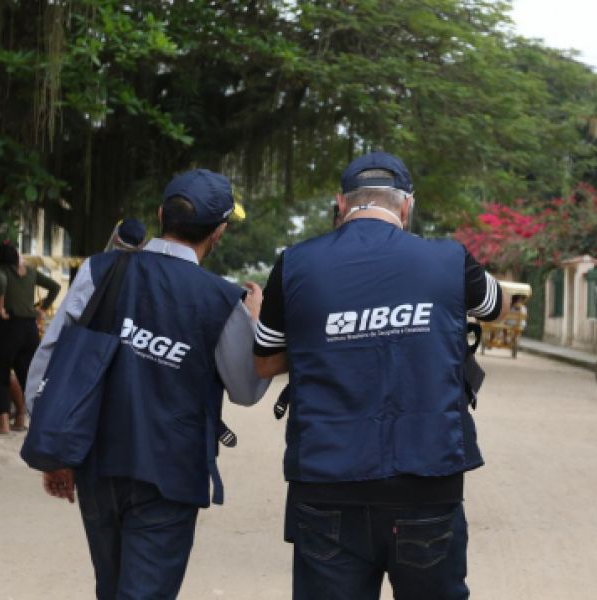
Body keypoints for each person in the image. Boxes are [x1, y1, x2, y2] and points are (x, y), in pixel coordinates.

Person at [254, 151, 509, 600]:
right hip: (427, 482)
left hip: (326, 482)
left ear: (341, 204)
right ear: (406, 206)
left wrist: (326, 336)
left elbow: (264, 363)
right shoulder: (449, 259)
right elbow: (496, 306)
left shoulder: (294, 264)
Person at [25, 169, 271, 599]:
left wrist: (54, 449)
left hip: (98, 463)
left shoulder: (100, 270)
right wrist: (253, 321)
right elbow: (246, 389)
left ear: (161, 215)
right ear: (219, 231)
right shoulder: (222, 299)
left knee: (111, 587)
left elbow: (49, 356)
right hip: (170, 474)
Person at [0, 241, 60, 434]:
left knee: (0, 375)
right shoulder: (30, 271)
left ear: (0, 257)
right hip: (30, 330)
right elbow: (54, 287)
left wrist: (0, 308)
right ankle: (30, 420)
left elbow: (0, 281)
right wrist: (42, 309)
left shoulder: (1, 270)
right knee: (29, 377)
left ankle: (2, 424)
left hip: (8, 327)